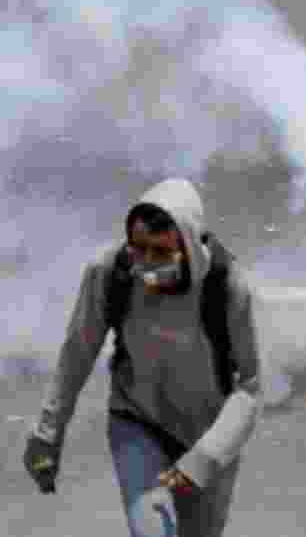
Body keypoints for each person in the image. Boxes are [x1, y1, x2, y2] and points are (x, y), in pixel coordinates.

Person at [22, 178, 263, 537]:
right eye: (138, 249)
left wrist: (202, 461)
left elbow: (251, 387)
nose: (147, 265)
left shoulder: (229, 287)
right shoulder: (109, 274)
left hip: (208, 436)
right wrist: (46, 434)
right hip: (137, 424)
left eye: (161, 252)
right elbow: (77, 354)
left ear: (191, 245)